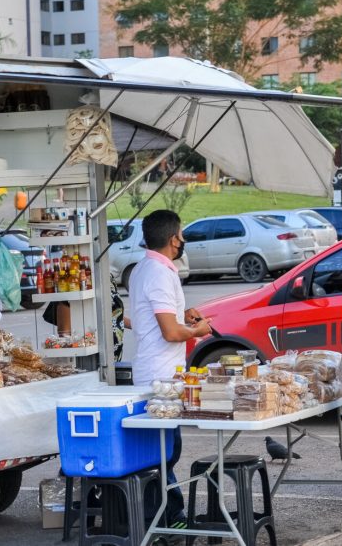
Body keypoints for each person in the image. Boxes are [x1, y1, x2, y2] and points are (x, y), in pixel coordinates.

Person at [128, 209, 212, 536]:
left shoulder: (142, 269)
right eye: (180, 235)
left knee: (162, 449)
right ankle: (168, 515)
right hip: (160, 376)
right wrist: (199, 329)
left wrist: (183, 315)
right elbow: (170, 333)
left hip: (157, 370)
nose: (182, 241)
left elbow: (143, 320)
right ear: (173, 238)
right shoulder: (161, 274)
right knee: (164, 452)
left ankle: (165, 513)